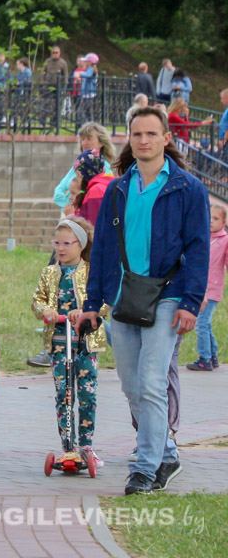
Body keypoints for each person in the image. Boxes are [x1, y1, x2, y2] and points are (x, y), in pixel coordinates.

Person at [79, 106, 209, 495]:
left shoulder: (187, 188)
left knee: (152, 383)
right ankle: (166, 450)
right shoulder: (118, 189)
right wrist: (93, 301)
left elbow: (199, 248)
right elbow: (101, 248)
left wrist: (191, 301)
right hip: (122, 298)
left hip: (168, 297)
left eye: (152, 134)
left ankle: (146, 468)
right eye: (137, 134)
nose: (144, 141)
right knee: (131, 385)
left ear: (166, 138)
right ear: (129, 140)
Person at [32, 217, 107, 468]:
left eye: (67, 243)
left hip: (85, 342)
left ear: (80, 244)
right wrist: (46, 310)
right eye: (57, 243)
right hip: (59, 343)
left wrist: (85, 310)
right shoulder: (50, 272)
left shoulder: (92, 271)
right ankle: (68, 447)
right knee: (64, 394)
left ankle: (86, 445)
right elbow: (37, 301)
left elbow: (106, 303)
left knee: (87, 393)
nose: (61, 248)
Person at [187, 204, 228, 371]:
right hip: (201, 286)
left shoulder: (225, 240)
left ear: (224, 222)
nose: (211, 221)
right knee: (207, 323)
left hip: (212, 288)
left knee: (201, 323)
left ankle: (204, 359)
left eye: (216, 218)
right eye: (209, 217)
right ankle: (212, 356)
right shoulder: (205, 237)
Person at [52, 122, 116, 216]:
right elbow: (57, 193)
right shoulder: (78, 166)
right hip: (68, 220)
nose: (84, 143)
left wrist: (78, 207)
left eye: (89, 139)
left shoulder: (105, 170)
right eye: (82, 139)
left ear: (101, 142)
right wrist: (71, 205)